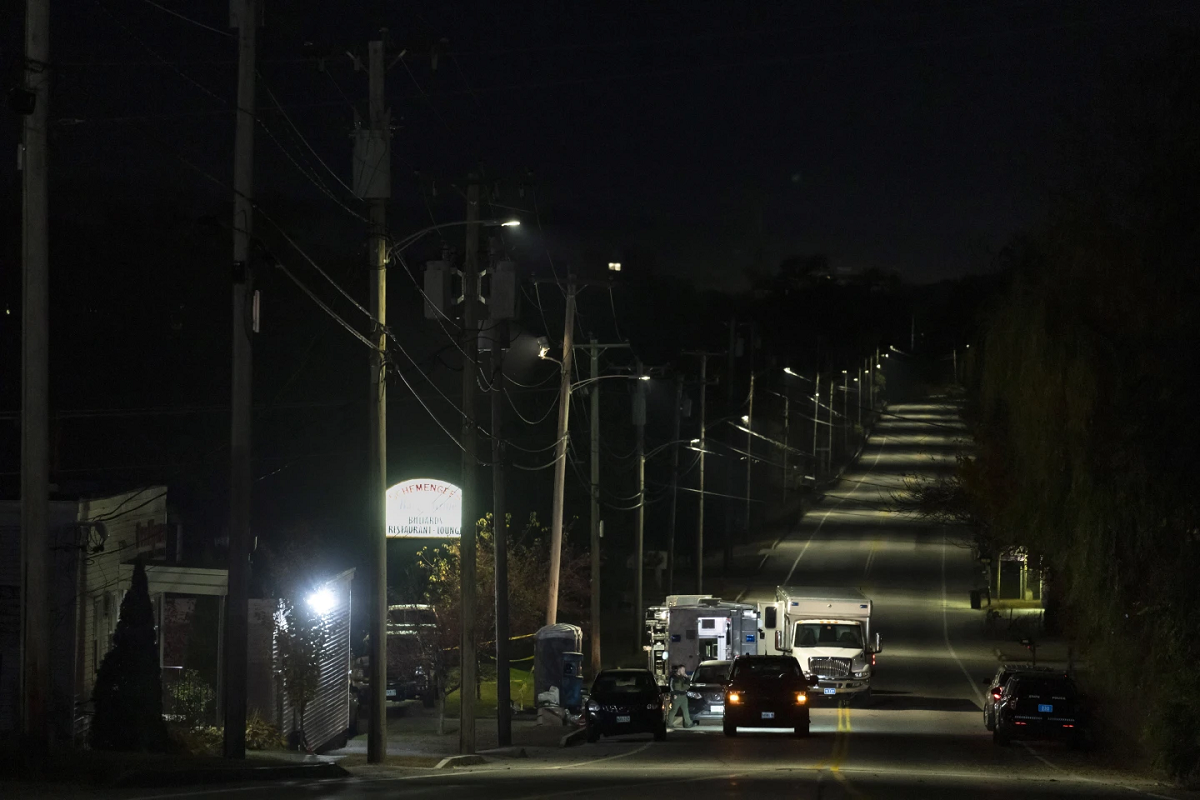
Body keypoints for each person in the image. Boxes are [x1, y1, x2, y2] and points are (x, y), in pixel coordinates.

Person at [666, 664, 695, 729]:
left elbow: (687, 685)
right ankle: (669, 723)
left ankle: (688, 723)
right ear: (679, 670)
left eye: (684, 670)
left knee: (685, 710)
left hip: (683, 696)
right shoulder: (673, 677)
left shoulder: (684, 677)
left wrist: (687, 678)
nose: (684, 671)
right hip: (677, 696)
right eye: (682, 670)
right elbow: (671, 686)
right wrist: (673, 694)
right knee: (674, 710)